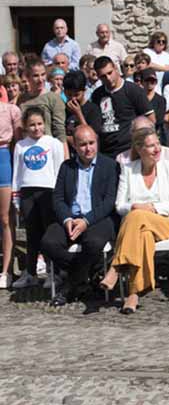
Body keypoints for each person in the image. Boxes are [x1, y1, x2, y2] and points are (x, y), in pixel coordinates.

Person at [100, 127, 169, 314]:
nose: (157, 149)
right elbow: (120, 205)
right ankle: (133, 294)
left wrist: (150, 208)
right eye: (151, 146)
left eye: (158, 144)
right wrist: (134, 207)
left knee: (138, 216)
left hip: (165, 222)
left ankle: (116, 266)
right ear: (139, 149)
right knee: (143, 233)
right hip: (138, 226)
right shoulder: (128, 170)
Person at [41, 125, 120, 306]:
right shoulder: (67, 167)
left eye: (91, 143)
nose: (88, 148)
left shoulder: (110, 165)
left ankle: (69, 287)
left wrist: (86, 221)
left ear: (97, 142)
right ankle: (89, 273)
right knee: (48, 243)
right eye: (82, 144)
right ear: (75, 146)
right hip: (71, 217)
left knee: (93, 243)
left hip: (98, 218)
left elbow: (109, 201)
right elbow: (58, 197)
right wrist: (67, 219)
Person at [10, 107, 66, 289]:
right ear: (26, 126)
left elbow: (59, 171)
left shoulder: (53, 144)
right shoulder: (21, 146)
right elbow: (17, 175)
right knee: (32, 234)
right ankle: (30, 273)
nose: (36, 128)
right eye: (32, 125)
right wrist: (16, 199)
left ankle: (53, 273)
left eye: (39, 124)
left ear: (45, 124)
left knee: (49, 234)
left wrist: (60, 196)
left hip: (48, 192)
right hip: (27, 193)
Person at [90, 56, 154, 159]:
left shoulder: (134, 91)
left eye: (110, 73)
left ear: (116, 68)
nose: (108, 78)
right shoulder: (97, 95)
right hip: (106, 151)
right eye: (103, 76)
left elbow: (150, 119)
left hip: (129, 150)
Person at [0, 96, 21, 288]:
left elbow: (18, 142)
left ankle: (6, 270)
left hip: (3, 158)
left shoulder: (10, 110)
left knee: (6, 218)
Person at [63, 70, 102, 144]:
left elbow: (92, 137)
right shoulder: (62, 109)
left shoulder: (93, 109)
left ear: (84, 91)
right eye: (69, 95)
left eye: (77, 95)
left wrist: (78, 113)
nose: (73, 98)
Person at [137, 69, 167, 143]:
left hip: (156, 135)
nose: (150, 83)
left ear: (156, 82)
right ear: (142, 82)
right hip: (140, 135)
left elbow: (159, 120)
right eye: (147, 80)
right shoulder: (137, 99)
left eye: (153, 80)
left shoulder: (160, 100)